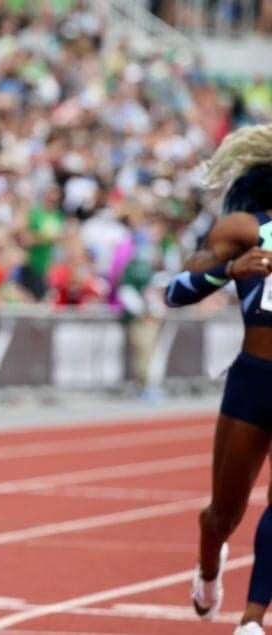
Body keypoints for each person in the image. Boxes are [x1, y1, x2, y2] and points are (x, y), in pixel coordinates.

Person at [164, 123, 272, 635]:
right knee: (222, 515)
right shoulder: (246, 228)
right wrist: (227, 272)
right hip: (254, 381)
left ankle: (252, 619)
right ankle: (209, 565)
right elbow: (174, 292)